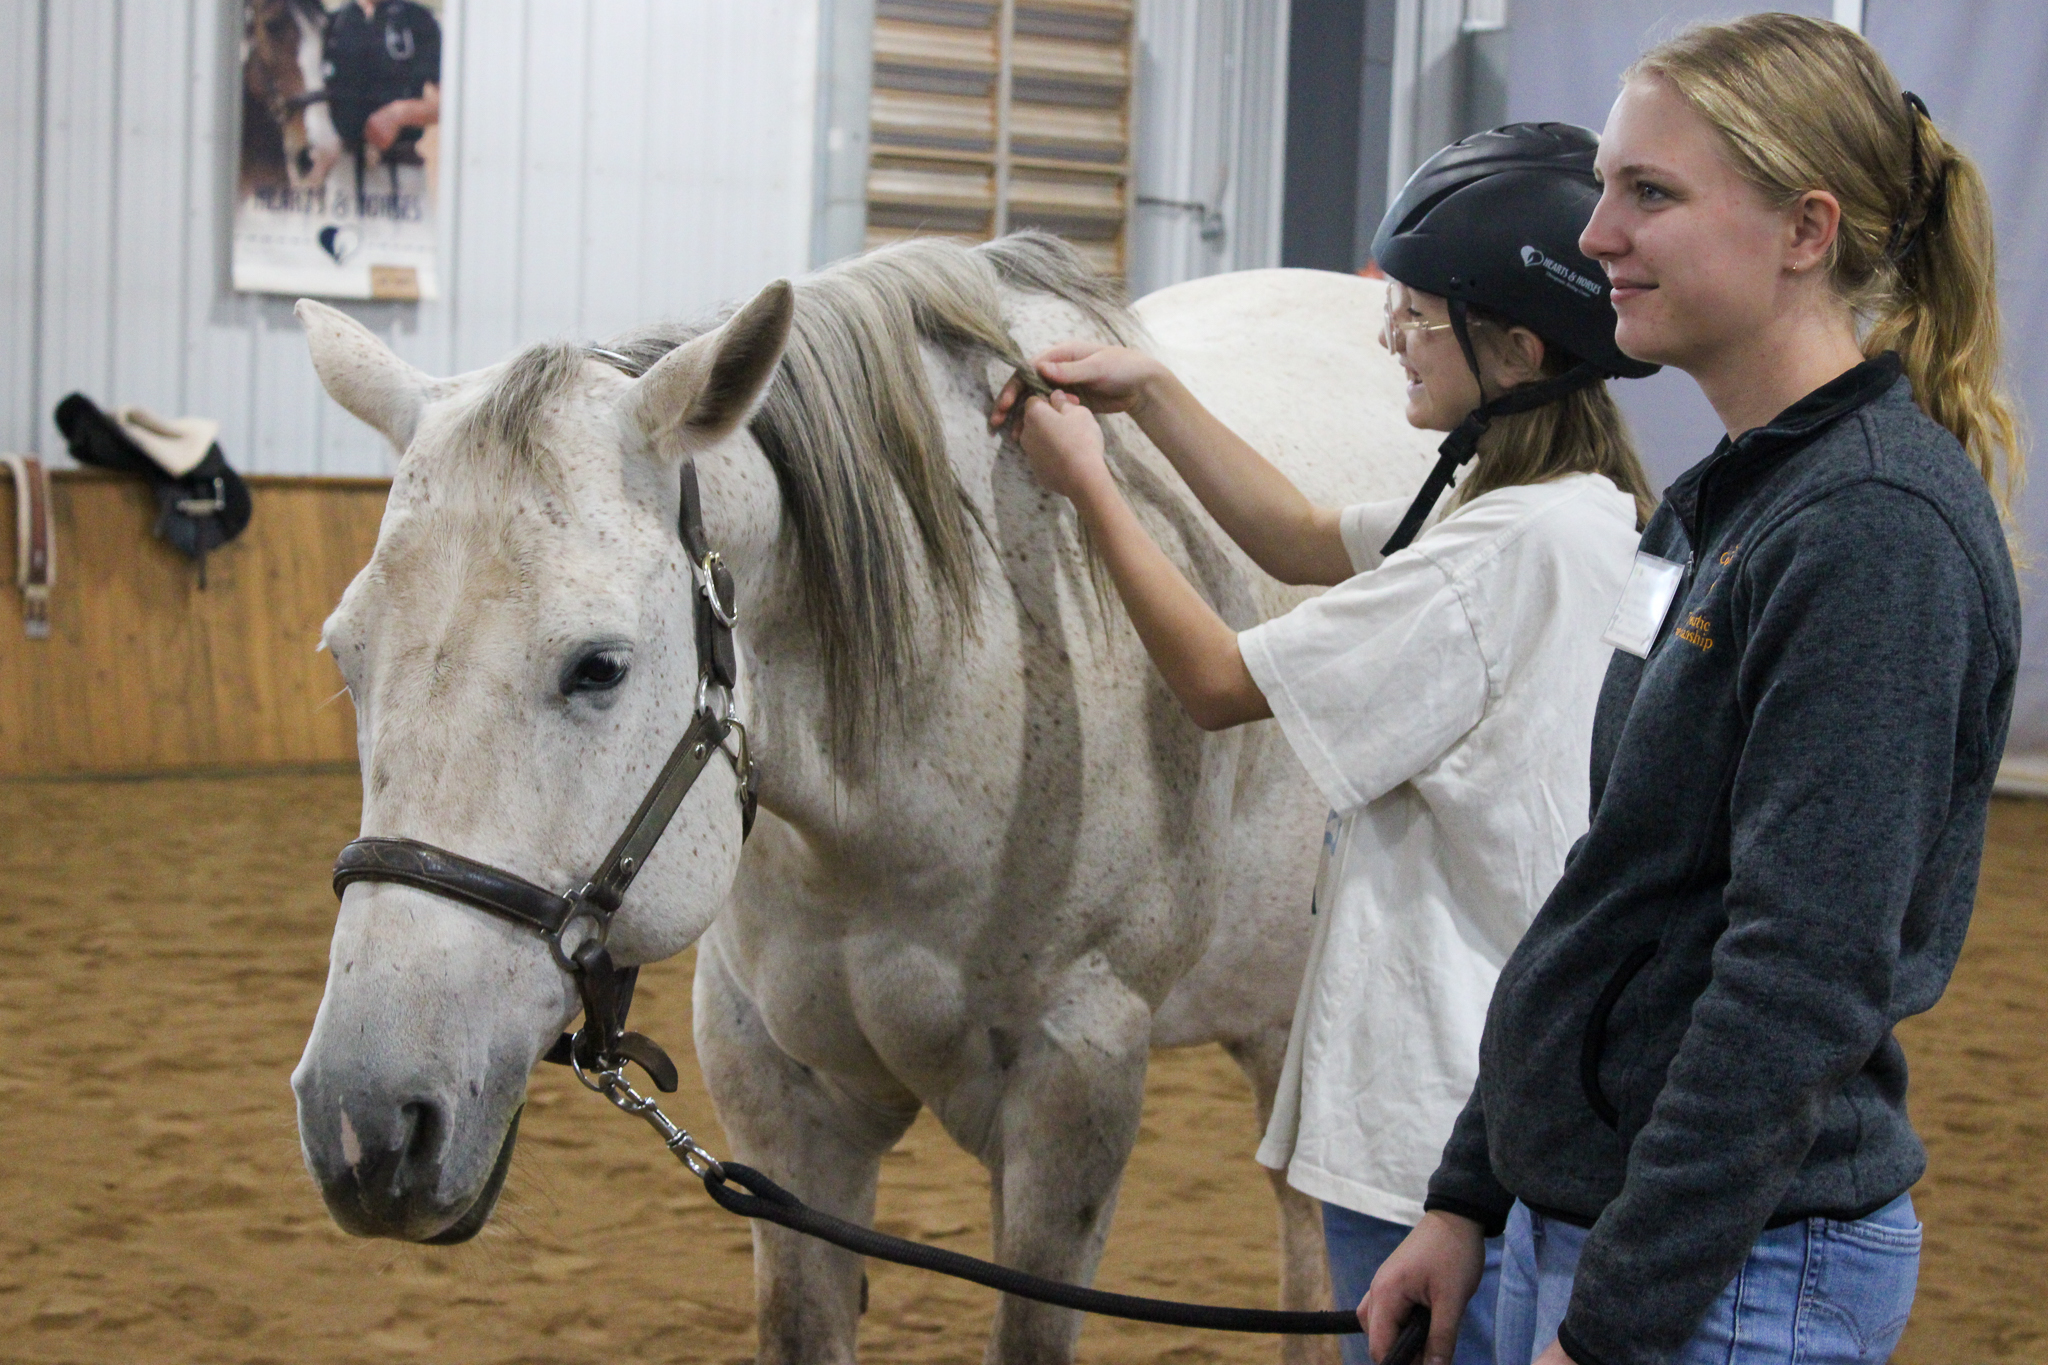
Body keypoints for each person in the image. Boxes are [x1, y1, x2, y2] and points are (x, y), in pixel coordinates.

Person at [1363, 16, 2023, 1365]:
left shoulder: (1873, 534)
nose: (1596, 233)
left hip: (1731, 1278)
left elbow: (1799, 979)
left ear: (1805, 231)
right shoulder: (1724, 506)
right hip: (1618, 1231)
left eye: (1648, 193)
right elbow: (1617, 881)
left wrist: (1614, 1328)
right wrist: (1471, 1192)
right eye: (1609, 186)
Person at [993, 124, 1659, 1365]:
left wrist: (1086, 483)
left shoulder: (1493, 555)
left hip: (1431, 1110)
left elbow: (1211, 679)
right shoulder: (1558, 512)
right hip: (1500, 1086)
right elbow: (1296, 534)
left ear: (1514, 349)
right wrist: (1152, 398)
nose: (1385, 336)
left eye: (1414, 315)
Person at [323, 0, 441, 161]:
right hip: (339, 168)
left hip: (400, 169)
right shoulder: (331, 23)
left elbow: (448, 103)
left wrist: (399, 114)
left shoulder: (417, 20)